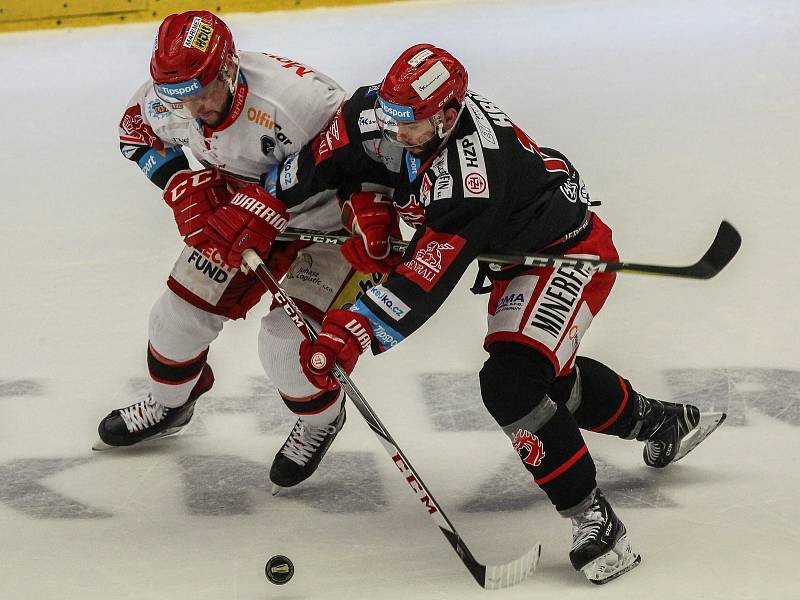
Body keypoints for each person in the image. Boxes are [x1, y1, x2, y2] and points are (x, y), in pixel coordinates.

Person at [269, 44, 725, 584]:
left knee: (512, 383)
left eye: (409, 124)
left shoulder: (471, 177)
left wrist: (354, 327)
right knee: (544, 382)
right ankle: (659, 420)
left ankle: (594, 519)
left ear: (447, 112)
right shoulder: (384, 112)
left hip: (563, 252)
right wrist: (277, 204)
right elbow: (319, 165)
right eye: (390, 118)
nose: (394, 133)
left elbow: (423, 280)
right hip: (510, 252)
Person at [96, 11, 391, 490]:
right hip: (238, 221)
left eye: (201, 92)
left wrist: (366, 213)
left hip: (327, 230)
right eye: (178, 97)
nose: (191, 110)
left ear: (229, 68)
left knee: (286, 347)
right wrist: (177, 184)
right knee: (174, 320)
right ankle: (172, 406)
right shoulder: (169, 98)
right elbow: (136, 132)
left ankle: (321, 421)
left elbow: (371, 156)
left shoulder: (301, 100)